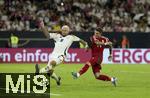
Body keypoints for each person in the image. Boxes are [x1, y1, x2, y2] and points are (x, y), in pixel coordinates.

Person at [35, 20, 88, 86]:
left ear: (69, 31)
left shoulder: (71, 37)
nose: (64, 31)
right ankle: (58, 80)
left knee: (52, 63)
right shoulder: (57, 35)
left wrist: (86, 45)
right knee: (49, 70)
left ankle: (39, 72)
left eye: (66, 30)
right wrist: (43, 27)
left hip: (61, 56)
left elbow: (81, 41)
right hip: (53, 55)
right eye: (63, 30)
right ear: (61, 30)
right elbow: (47, 36)